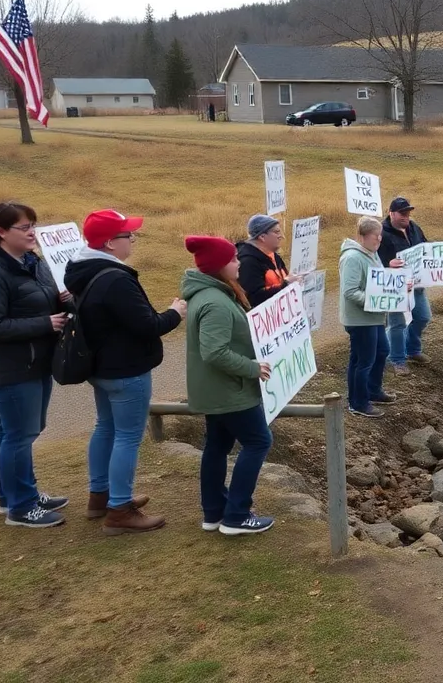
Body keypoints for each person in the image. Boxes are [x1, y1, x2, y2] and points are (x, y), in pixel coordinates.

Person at [64, 209, 187, 535]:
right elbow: (148, 325)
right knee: (128, 437)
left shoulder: (82, 270)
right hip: (126, 371)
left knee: (105, 428)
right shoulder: (116, 279)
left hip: (101, 367)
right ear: (108, 243)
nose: (132, 238)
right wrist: (176, 313)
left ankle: (100, 496)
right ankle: (119, 510)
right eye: (126, 234)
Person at [0, 202, 69, 528]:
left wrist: (66, 297)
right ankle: (22, 507)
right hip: (11, 367)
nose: (32, 232)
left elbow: (47, 296)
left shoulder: (30, 261)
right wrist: (46, 324)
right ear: (1, 231)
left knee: (13, 431)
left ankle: (11, 495)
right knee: (20, 434)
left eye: (34, 225)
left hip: (35, 362)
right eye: (24, 227)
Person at [181, 236, 275, 535]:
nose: (239, 262)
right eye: (233, 259)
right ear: (219, 266)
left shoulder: (209, 294)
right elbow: (214, 351)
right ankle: (236, 515)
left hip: (216, 388)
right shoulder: (216, 301)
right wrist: (251, 368)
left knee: (217, 446)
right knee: (259, 441)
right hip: (229, 389)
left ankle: (214, 512)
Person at [339, 216, 395, 417]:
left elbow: (378, 281)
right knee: (363, 361)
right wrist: (377, 300)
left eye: (380, 236)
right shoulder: (353, 258)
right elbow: (350, 291)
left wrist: (396, 285)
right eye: (375, 236)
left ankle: (373, 390)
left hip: (374, 317)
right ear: (362, 236)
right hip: (360, 319)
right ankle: (358, 403)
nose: (379, 240)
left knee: (381, 351)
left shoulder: (372, 254)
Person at [378, 197, 431, 375]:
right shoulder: (381, 233)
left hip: (416, 284)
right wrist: (387, 264)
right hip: (395, 287)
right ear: (391, 213)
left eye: (408, 212)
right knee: (397, 323)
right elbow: (373, 262)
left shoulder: (414, 227)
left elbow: (425, 245)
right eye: (402, 213)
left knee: (423, 316)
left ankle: (413, 350)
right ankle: (397, 359)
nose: (406, 216)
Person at [237, 214, 292, 309]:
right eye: (277, 232)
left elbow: (285, 278)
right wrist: (285, 286)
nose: (281, 236)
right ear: (262, 237)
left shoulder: (274, 255)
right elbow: (253, 299)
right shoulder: (247, 262)